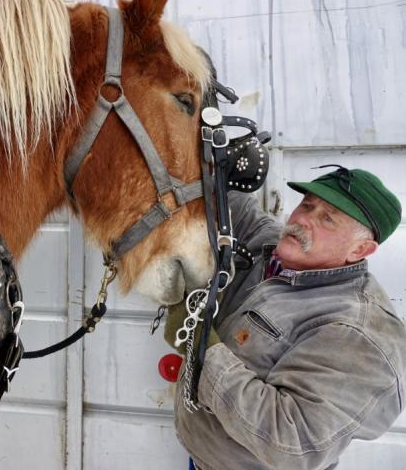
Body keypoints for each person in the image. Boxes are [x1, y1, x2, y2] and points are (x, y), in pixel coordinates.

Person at [164, 165, 405, 470]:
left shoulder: (359, 334)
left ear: (360, 249)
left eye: (327, 218)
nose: (303, 219)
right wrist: (214, 161)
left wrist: (202, 348)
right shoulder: (274, 251)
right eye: (307, 204)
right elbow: (220, 201)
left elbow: (290, 445)